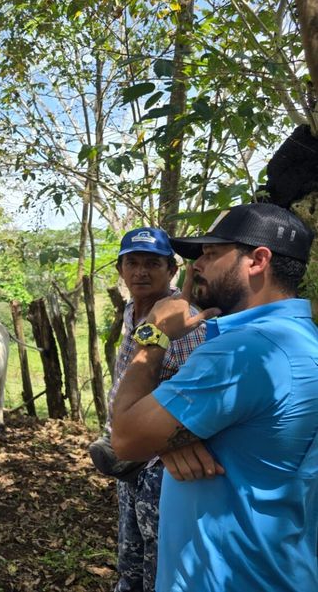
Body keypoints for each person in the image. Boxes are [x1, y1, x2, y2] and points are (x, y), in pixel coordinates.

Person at [111, 203, 318, 592]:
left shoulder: (244, 352)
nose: (196, 267)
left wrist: (153, 332)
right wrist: (174, 436)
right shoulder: (302, 340)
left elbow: (126, 436)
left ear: (257, 260)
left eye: (211, 254)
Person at [89, 227, 206, 592]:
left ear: (171, 271)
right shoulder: (132, 312)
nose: (141, 272)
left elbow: (195, 392)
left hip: (163, 462)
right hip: (130, 453)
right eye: (133, 263)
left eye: (152, 264)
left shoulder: (183, 320)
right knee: (130, 558)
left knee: (160, 558)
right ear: (121, 271)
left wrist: (171, 443)